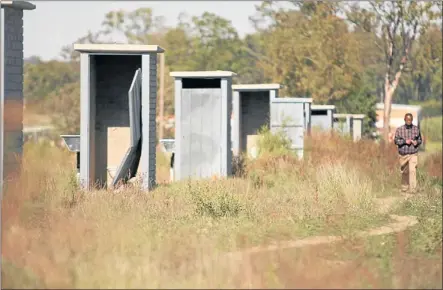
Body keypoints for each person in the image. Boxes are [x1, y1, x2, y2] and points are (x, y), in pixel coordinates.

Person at [394, 113, 422, 194]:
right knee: (405, 171)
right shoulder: (399, 130)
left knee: (413, 171)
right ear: (404, 120)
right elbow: (396, 141)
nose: (409, 121)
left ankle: (413, 189)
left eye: (410, 120)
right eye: (407, 120)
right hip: (403, 154)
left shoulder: (416, 129)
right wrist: (404, 141)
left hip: (413, 153)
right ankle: (404, 187)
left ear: (412, 120)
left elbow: (420, 140)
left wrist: (416, 142)